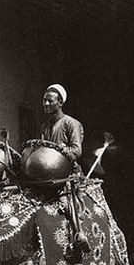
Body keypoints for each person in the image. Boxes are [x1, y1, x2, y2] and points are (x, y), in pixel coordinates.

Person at [38, 83, 88, 253]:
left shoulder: (71, 123)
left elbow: (76, 150)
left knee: (66, 202)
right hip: (47, 175)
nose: (45, 104)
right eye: (44, 101)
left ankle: (78, 234)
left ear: (60, 102)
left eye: (50, 101)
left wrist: (58, 151)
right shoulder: (44, 127)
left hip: (67, 176)